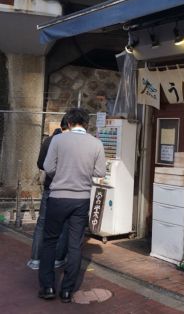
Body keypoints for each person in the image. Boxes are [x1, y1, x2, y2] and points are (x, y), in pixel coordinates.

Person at [38, 108, 106, 303]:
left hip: (58, 197)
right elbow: (100, 171)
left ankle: (48, 287)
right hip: (81, 199)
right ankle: (67, 291)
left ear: (68, 123)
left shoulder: (58, 140)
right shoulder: (96, 143)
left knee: (50, 241)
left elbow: (48, 166)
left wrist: (62, 176)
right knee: (75, 244)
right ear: (86, 124)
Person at [27, 115, 70, 270]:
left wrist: (51, 171)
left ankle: (35, 259)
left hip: (49, 187)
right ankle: (58, 259)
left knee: (42, 223)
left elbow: (40, 163)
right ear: (70, 126)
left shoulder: (48, 141)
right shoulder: (69, 142)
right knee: (64, 224)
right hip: (66, 189)